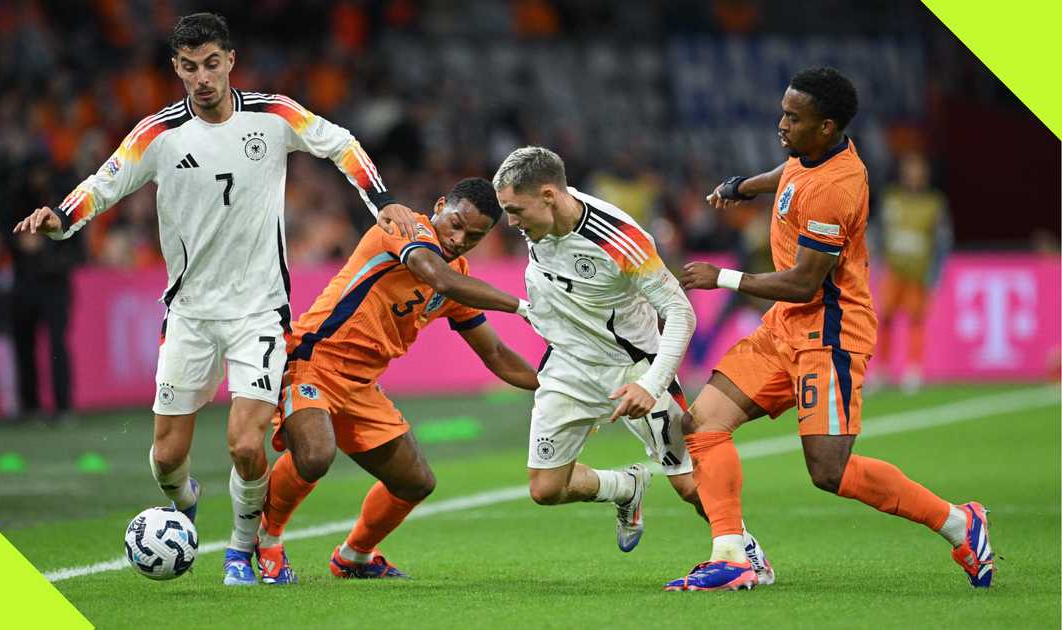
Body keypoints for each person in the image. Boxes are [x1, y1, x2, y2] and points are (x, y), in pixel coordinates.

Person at [11, 12, 417, 586]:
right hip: (189, 315)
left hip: (259, 312)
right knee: (167, 458)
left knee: (246, 445)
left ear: (229, 60)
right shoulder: (157, 134)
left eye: (210, 64)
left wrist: (383, 202)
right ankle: (186, 500)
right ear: (175, 69)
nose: (201, 78)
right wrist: (60, 218)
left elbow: (341, 144)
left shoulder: (274, 114)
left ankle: (240, 551)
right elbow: (104, 184)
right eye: (188, 67)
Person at [673, 67, 992, 591]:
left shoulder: (835, 191)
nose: (782, 124)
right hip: (783, 329)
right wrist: (744, 187)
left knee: (829, 472)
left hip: (829, 335)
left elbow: (803, 283)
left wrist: (722, 277)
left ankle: (960, 522)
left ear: (825, 127)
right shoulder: (818, 150)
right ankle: (733, 554)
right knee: (703, 422)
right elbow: (792, 169)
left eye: (793, 118)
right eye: (783, 111)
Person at [493, 146, 773, 581]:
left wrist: (652, 382)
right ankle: (627, 487)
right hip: (568, 366)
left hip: (632, 366)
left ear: (548, 195)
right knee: (545, 489)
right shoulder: (538, 227)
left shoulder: (618, 237)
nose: (511, 222)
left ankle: (744, 551)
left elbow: (681, 312)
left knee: (686, 482)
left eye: (515, 210)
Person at [256, 177, 539, 584]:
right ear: (440, 204)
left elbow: (496, 355)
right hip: (312, 362)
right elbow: (438, 278)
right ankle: (267, 539)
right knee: (316, 454)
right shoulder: (404, 227)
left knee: (414, 482)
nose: (460, 239)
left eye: (474, 237)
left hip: (361, 386)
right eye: (456, 224)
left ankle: (355, 556)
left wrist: (552, 385)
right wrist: (521, 307)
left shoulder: (457, 277)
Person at [873, 152, 951, 393]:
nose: (914, 175)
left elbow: (942, 241)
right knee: (884, 318)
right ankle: (882, 371)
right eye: (910, 170)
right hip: (893, 269)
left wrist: (936, 273)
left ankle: (913, 370)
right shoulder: (891, 198)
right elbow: (878, 232)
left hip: (919, 272)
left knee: (916, 320)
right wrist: (876, 262)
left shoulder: (934, 203)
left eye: (919, 171)